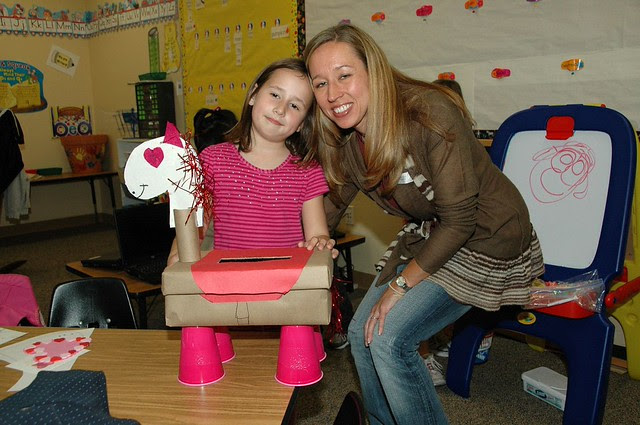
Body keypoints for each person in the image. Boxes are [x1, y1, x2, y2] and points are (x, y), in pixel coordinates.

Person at [304, 24, 544, 425]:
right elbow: (328, 206)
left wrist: (399, 286)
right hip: (436, 230)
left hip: (488, 234)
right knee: (363, 336)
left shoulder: (428, 113)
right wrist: (283, 247)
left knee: (389, 339)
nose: (333, 94)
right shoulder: (345, 140)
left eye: (344, 75)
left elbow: (461, 219)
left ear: (374, 71)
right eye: (320, 83)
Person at [167, 57, 337, 266]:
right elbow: (194, 223)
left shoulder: (308, 171)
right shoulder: (212, 160)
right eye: (275, 95)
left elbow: (317, 234)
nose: (280, 109)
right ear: (254, 95)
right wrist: (178, 252)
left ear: (302, 123)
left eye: (294, 105)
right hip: (227, 279)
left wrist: (321, 242)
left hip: (285, 282)